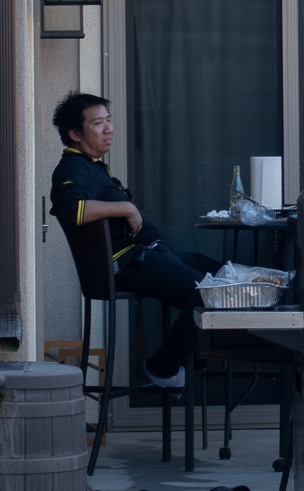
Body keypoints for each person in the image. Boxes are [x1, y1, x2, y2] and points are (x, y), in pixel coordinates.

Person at [49, 92, 218, 390]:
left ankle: (194, 365)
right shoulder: (73, 168)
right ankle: (163, 368)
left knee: (225, 278)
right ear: (75, 134)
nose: (109, 129)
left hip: (148, 253)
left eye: (109, 120)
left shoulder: (92, 165)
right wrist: (125, 207)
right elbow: (70, 209)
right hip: (127, 263)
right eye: (98, 123)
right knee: (211, 295)